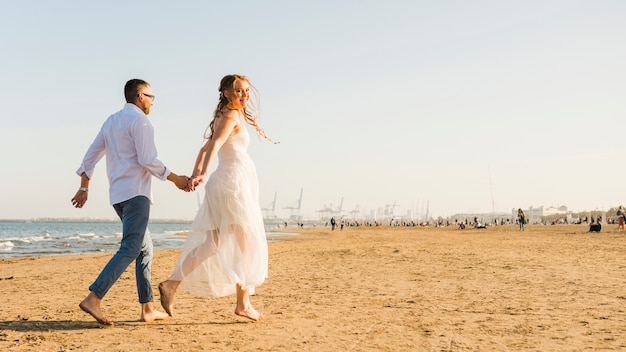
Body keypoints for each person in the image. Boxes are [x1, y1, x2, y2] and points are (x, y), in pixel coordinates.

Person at [71, 79, 189, 325]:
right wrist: (176, 178)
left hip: (118, 196)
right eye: (151, 96)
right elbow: (148, 159)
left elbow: (91, 155)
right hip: (136, 194)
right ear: (140, 97)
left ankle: (147, 308)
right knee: (132, 247)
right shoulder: (141, 121)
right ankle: (94, 297)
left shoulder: (112, 121)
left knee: (145, 249)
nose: (153, 102)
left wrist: (84, 187)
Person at [158, 74, 272, 321]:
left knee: (213, 244)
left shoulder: (226, 115)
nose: (244, 95)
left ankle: (171, 284)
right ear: (226, 93)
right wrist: (203, 174)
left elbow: (204, 149)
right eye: (239, 91)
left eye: (246, 91)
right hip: (232, 184)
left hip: (228, 183)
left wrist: (197, 174)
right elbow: (216, 145)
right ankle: (243, 304)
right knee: (246, 244)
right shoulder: (230, 115)